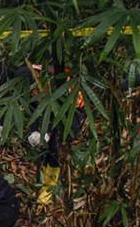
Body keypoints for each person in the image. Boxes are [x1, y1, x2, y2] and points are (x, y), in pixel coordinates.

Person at [14, 63, 87, 204]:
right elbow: (33, 109)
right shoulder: (30, 81)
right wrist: (34, 131)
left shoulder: (49, 83)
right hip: (54, 110)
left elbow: (55, 113)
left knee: (56, 147)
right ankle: (44, 183)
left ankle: (52, 188)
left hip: (72, 109)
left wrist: (47, 132)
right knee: (45, 149)